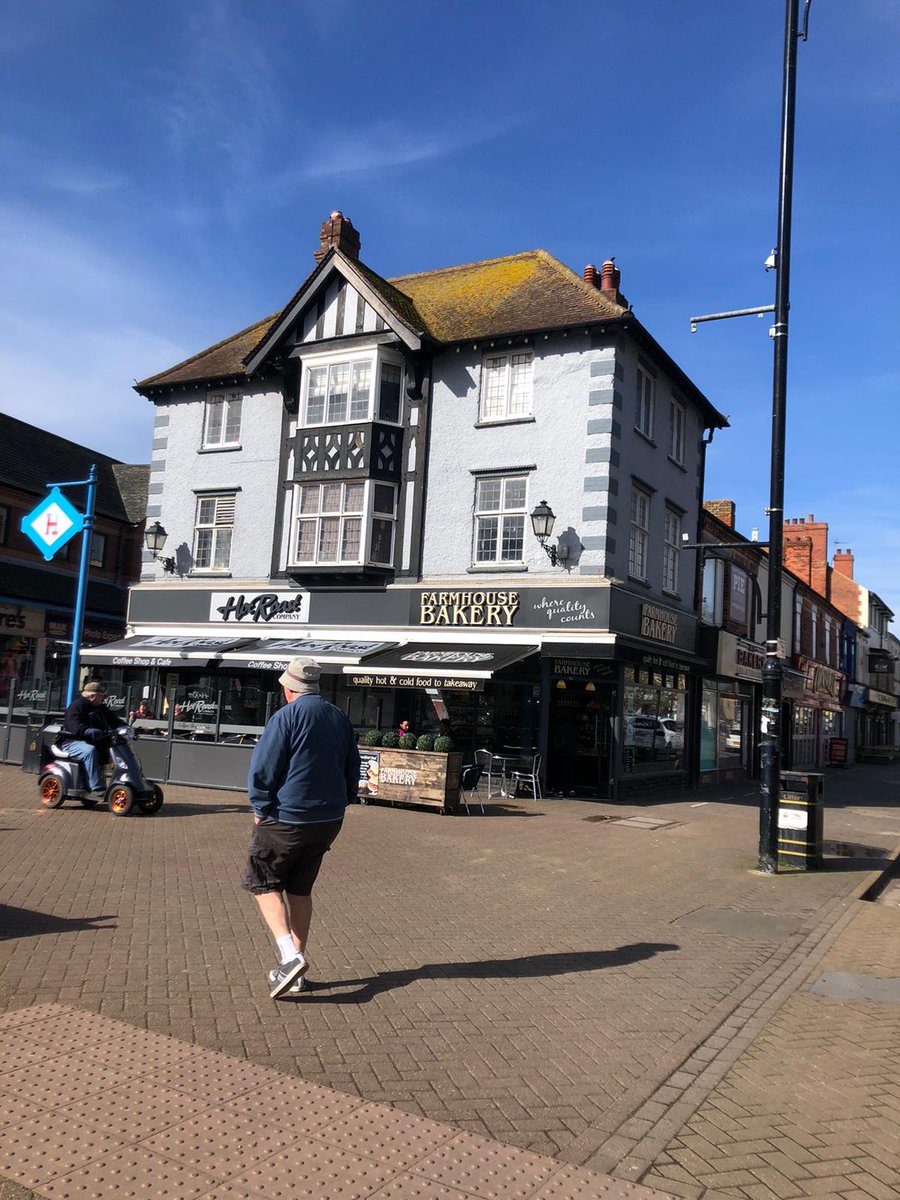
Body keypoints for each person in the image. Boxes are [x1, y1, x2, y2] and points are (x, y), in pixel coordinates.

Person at [241, 656, 360, 1000]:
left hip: (287, 817)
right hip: (328, 819)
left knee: (262, 882)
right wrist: (344, 799)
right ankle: (294, 971)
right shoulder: (338, 717)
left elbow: (264, 766)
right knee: (300, 890)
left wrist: (260, 806)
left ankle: (291, 957)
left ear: (289, 688)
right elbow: (353, 765)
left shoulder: (286, 717)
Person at [60, 680, 121, 795]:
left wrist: (126, 728)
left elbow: (114, 720)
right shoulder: (76, 706)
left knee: (115, 749)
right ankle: (96, 787)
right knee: (90, 751)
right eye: (101, 696)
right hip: (72, 742)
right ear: (93, 696)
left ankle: (111, 782)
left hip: (94, 740)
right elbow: (74, 726)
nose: (103, 699)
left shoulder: (100, 708)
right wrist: (88, 731)